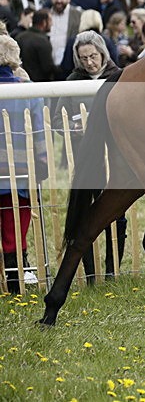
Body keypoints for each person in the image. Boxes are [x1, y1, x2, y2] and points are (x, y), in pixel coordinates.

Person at [54, 31, 124, 280]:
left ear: (102, 52)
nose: (89, 62)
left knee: (116, 211)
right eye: (83, 58)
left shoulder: (118, 76)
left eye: (93, 56)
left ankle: (112, 268)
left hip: (114, 153)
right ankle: (92, 273)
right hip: (84, 151)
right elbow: (56, 117)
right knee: (86, 210)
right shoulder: (74, 80)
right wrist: (71, 128)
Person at [0, 34, 46, 294]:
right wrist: (42, 165)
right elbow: (39, 134)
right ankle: (15, 281)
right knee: (14, 226)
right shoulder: (28, 91)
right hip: (18, 172)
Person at [16, 9, 55, 82]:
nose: (52, 24)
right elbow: (47, 68)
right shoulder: (43, 41)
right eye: (50, 20)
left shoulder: (19, 37)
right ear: (44, 22)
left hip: (21, 83)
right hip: (39, 86)